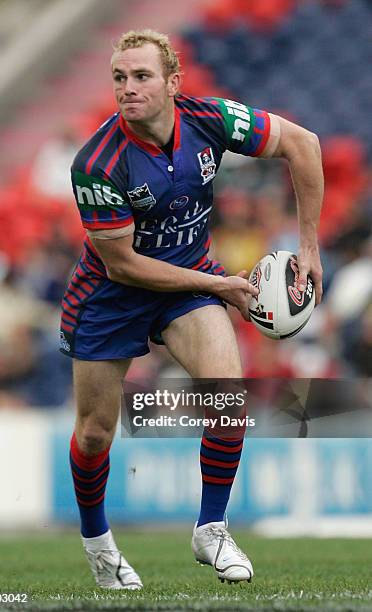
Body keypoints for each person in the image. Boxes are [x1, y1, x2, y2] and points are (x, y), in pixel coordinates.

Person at [60, 29, 323, 589]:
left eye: (141, 76)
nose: (127, 88)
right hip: (110, 298)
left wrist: (308, 246)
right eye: (118, 78)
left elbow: (305, 144)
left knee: (227, 398)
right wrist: (221, 283)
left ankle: (211, 528)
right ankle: (99, 543)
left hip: (188, 287)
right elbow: (124, 266)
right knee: (94, 434)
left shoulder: (210, 120)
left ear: (173, 83)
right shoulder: (98, 163)